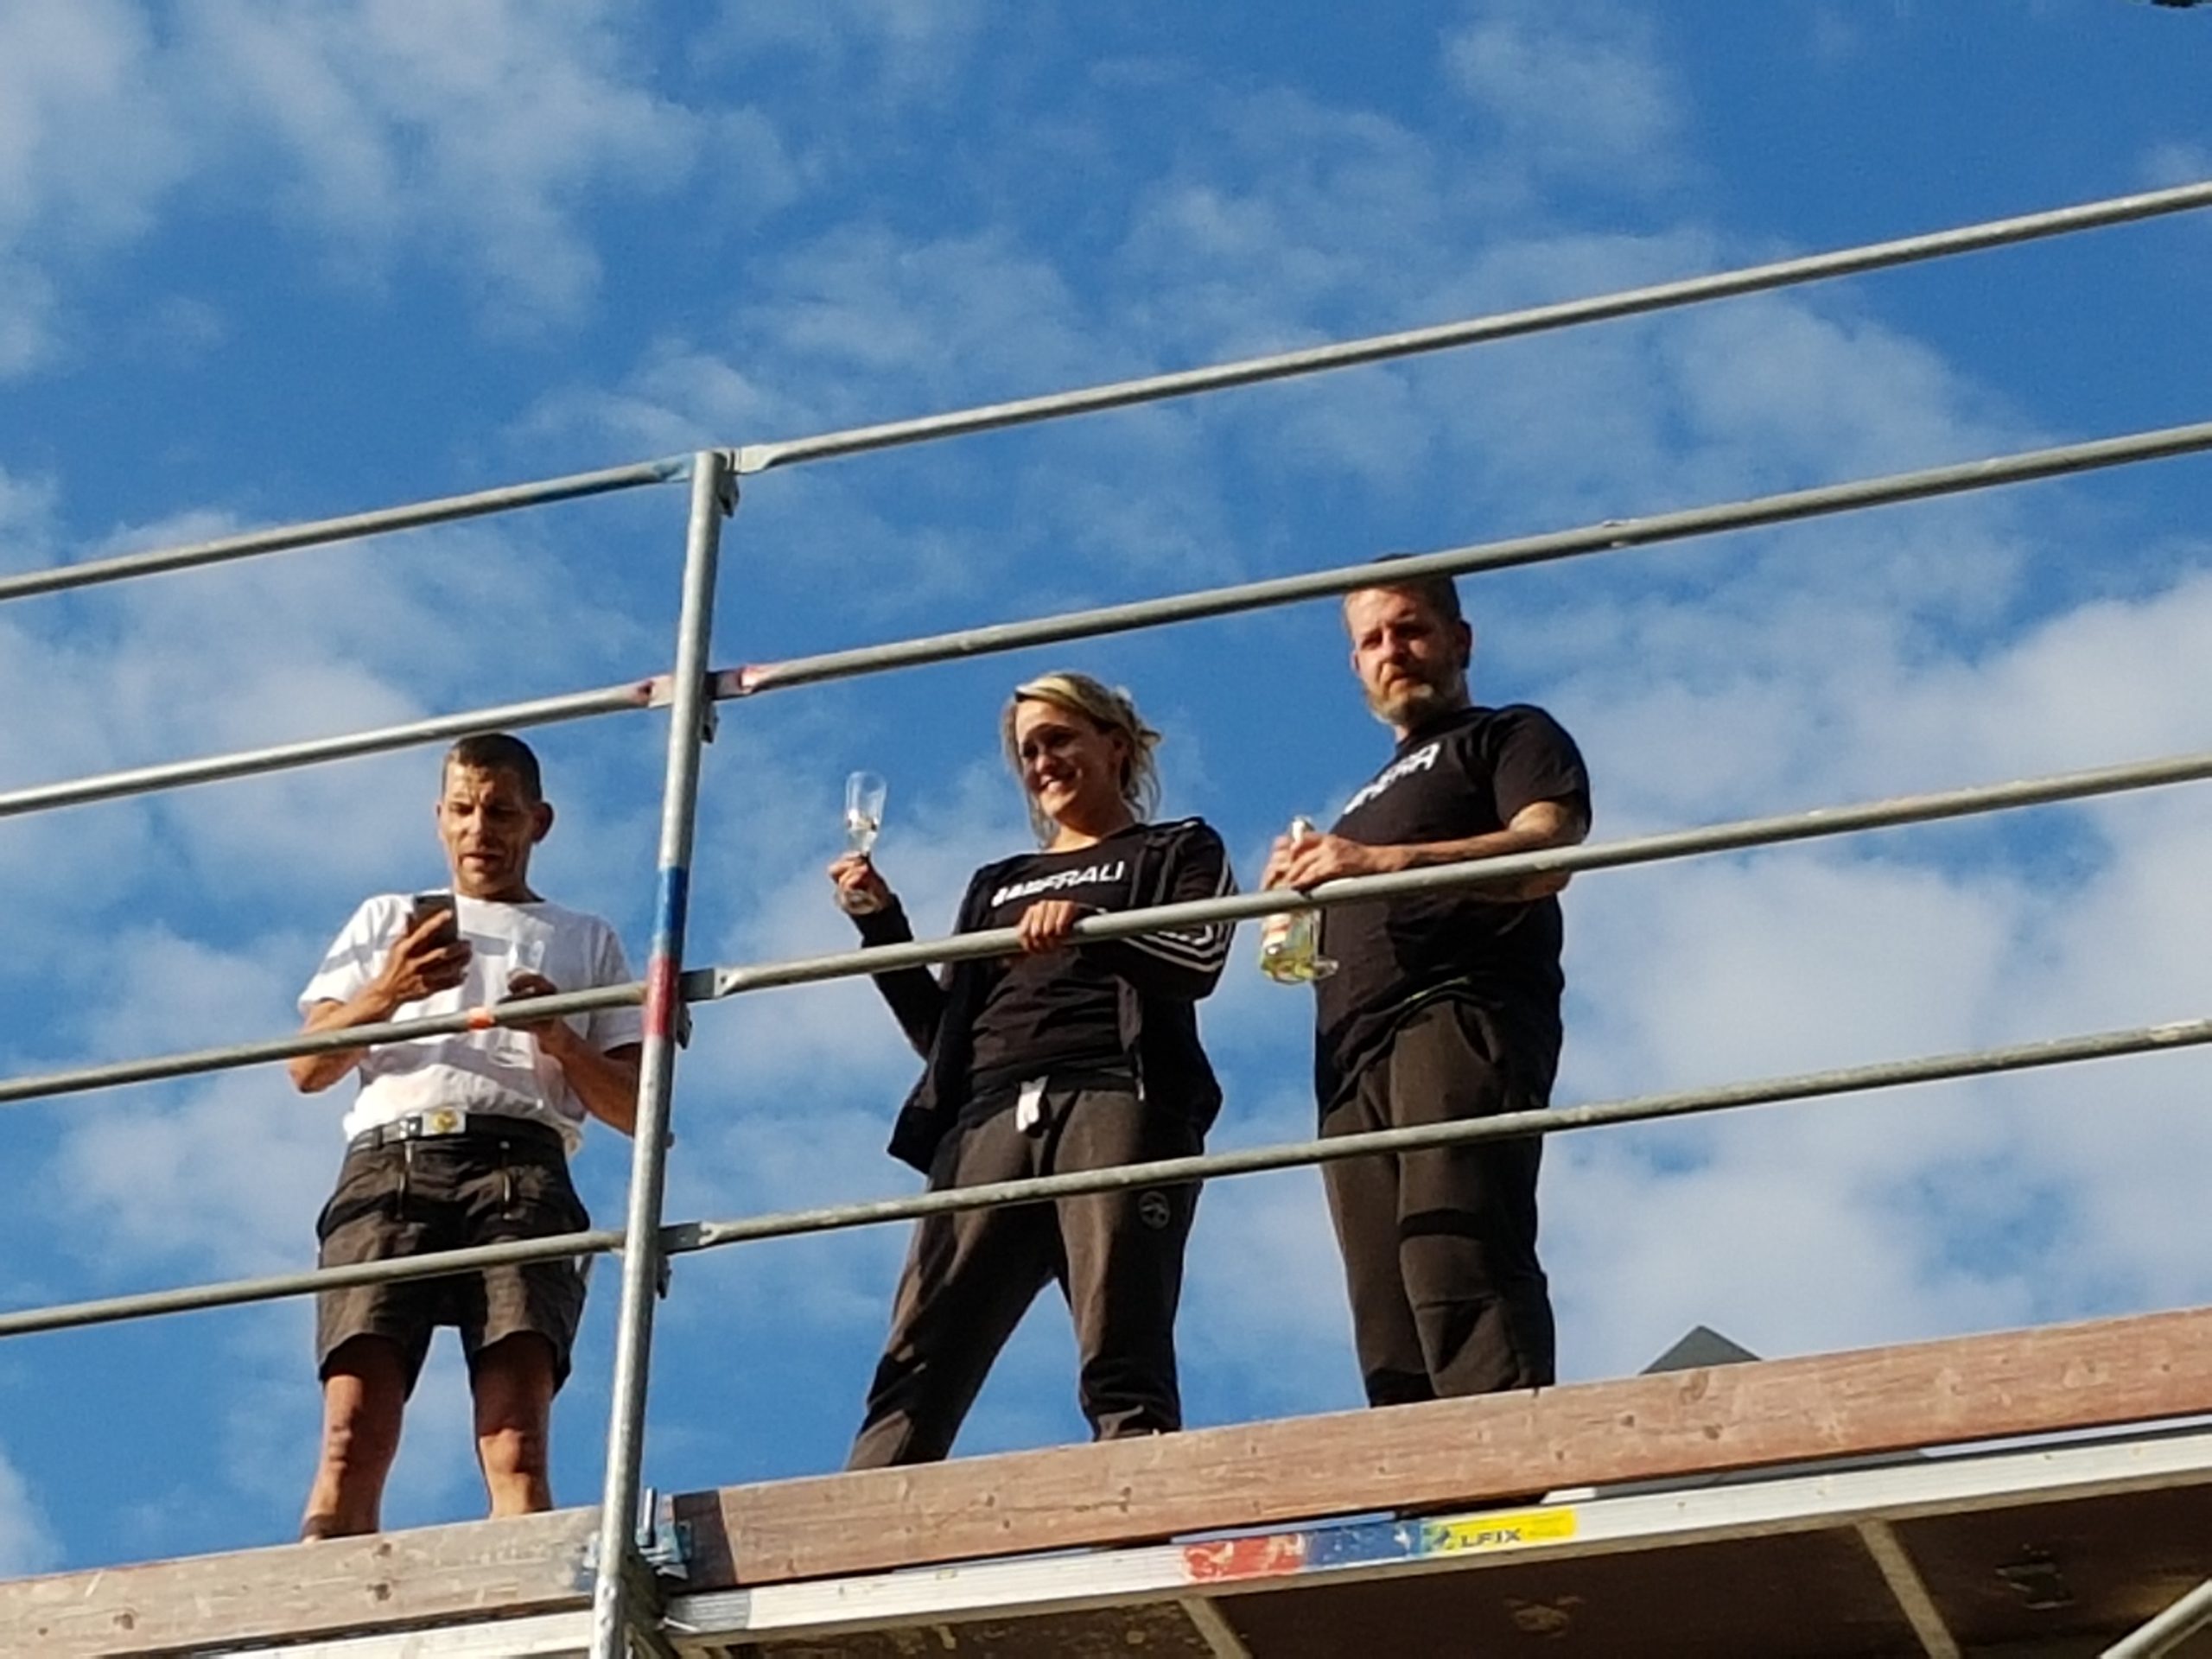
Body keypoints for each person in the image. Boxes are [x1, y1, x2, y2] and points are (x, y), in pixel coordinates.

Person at [829, 672, 1234, 1466]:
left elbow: (1199, 957)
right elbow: (944, 1033)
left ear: (1115, 745)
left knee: (1121, 1334)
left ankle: (1135, 1498)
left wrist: (1094, 928)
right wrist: (882, 926)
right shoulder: (999, 881)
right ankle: (863, 1512)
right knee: (920, 1349)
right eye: (1029, 751)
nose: (1043, 762)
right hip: (985, 1117)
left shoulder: (1176, 846)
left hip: (1116, 1096)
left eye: (1059, 740)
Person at [290, 733, 642, 1538]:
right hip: (390, 1164)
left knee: (517, 1443)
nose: (479, 829)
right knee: (351, 1435)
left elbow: (638, 1109)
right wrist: (390, 989)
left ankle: (525, 1594)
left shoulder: (587, 938)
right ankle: (321, 1594)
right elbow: (307, 1068)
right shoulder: (386, 918)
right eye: (462, 810)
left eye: (500, 812)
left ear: (538, 822)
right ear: (439, 818)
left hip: (523, 1168)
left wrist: (558, 1035)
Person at [1263, 571, 1590, 1405]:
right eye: (1372, 641)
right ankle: (1420, 1480)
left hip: (1457, 1010)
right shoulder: (1356, 806)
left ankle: (1509, 1458)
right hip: (1351, 1059)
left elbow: (1547, 851)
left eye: (1409, 629)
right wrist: (1299, 903)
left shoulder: (1507, 734)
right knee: (1385, 1305)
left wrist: (1381, 863)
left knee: (1458, 1251)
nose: (1393, 652)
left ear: (1459, 639)